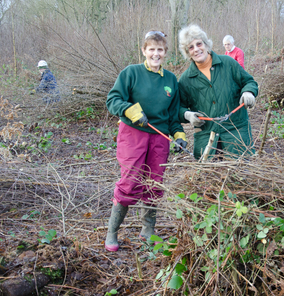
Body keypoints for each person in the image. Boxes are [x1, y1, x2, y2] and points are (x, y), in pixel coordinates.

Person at [104, 30, 187, 251]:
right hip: (133, 134)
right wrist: (129, 110)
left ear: (165, 52)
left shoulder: (170, 80)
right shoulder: (131, 73)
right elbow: (112, 100)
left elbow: (173, 114)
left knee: (154, 182)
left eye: (160, 50)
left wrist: (178, 135)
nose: (155, 54)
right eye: (151, 49)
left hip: (159, 138)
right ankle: (112, 232)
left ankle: (147, 229)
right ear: (144, 50)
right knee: (130, 182)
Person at [178, 24, 258, 160]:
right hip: (207, 139)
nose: (196, 49)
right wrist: (187, 114)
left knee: (241, 176)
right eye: (191, 47)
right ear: (187, 52)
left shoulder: (228, 63)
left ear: (206, 44)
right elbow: (178, 107)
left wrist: (248, 92)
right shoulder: (186, 79)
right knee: (210, 179)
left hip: (236, 134)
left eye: (199, 44)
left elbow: (249, 82)